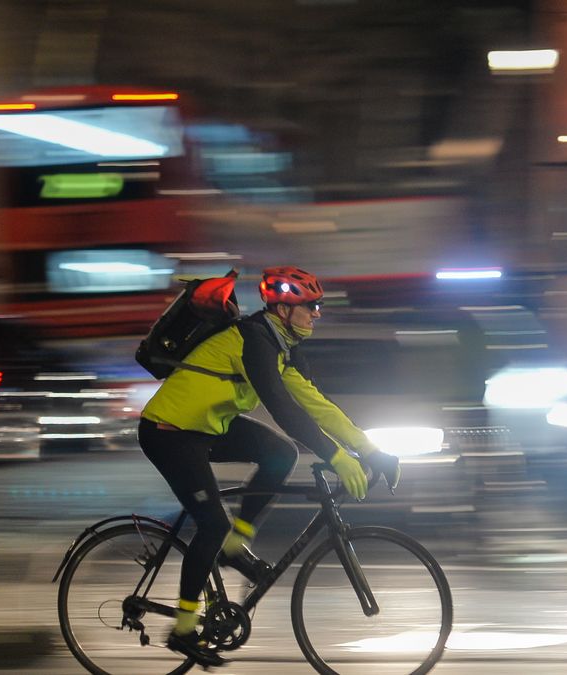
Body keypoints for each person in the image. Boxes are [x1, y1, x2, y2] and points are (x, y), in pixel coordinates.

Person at [138, 265, 400, 667]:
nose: (317, 313)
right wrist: (336, 457)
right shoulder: (254, 340)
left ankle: (233, 549)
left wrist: (370, 449)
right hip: (169, 431)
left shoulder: (284, 346)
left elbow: (317, 407)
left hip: (206, 427)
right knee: (212, 524)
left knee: (282, 454)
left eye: (319, 306)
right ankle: (184, 628)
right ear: (282, 309)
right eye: (310, 306)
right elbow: (283, 411)